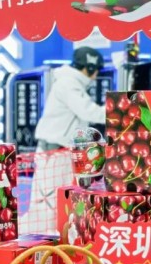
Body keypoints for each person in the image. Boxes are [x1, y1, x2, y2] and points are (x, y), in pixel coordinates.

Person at [26, 47, 106, 234]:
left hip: (60, 152)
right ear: (88, 68)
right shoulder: (69, 83)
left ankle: (52, 238)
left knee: (57, 199)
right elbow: (88, 111)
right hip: (53, 153)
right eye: (96, 70)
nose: (96, 75)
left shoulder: (71, 82)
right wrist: (119, 109)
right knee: (47, 201)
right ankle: (41, 241)